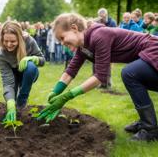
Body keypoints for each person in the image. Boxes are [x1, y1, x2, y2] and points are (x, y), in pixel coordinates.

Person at [37, 13, 158, 141]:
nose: (62, 43)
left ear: (74, 28)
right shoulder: (84, 46)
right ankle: (146, 121)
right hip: (148, 55)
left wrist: (67, 96)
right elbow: (71, 70)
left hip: (154, 50)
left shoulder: (99, 35)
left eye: (62, 37)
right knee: (131, 75)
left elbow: (100, 76)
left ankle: (150, 129)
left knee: (129, 73)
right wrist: (55, 92)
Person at [0, 21, 45, 123]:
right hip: (13, 75)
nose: (9, 45)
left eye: (13, 41)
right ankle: (14, 108)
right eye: (6, 41)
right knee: (11, 101)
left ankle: (23, 99)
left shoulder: (29, 41)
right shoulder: (1, 54)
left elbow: (42, 60)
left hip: (28, 73)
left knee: (31, 67)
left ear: (19, 38)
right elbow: (7, 81)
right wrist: (10, 104)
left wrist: (32, 58)